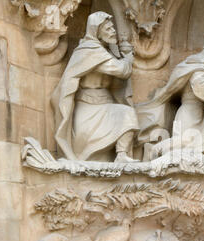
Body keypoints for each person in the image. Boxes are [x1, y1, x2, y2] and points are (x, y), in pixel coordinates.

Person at [136, 33, 204, 164]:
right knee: (186, 142)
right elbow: (201, 86)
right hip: (191, 113)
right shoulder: (195, 65)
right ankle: (154, 149)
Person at [51, 11, 139, 163]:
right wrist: (128, 60)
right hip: (87, 110)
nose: (113, 32)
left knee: (127, 113)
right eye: (108, 29)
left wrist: (118, 53)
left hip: (105, 105)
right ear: (96, 31)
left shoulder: (105, 52)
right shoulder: (89, 51)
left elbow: (117, 84)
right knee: (126, 113)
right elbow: (122, 71)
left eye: (113, 28)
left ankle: (121, 155)